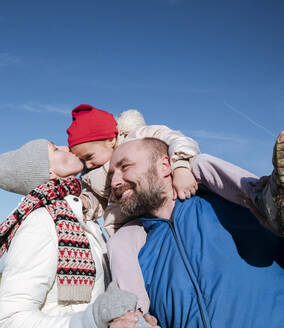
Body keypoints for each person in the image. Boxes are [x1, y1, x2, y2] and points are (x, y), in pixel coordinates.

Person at [66, 104, 283, 313]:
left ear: (110, 139)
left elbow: (178, 140)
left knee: (201, 163)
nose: (88, 165)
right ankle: (134, 311)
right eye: (82, 161)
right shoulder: (91, 177)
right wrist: (82, 205)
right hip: (133, 219)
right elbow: (93, 199)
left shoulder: (141, 137)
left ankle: (262, 197)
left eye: (89, 157)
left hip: (183, 177)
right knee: (119, 244)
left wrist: (180, 166)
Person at [107, 137, 284, 328]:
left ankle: (268, 197)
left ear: (165, 165)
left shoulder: (224, 198)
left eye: (125, 167)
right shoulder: (133, 246)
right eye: (111, 176)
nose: (115, 182)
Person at [0, 139, 159, 328]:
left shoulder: (82, 217)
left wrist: (131, 318)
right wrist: (91, 322)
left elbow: (99, 298)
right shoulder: (41, 222)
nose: (65, 147)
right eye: (54, 149)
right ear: (49, 172)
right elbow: (10, 320)